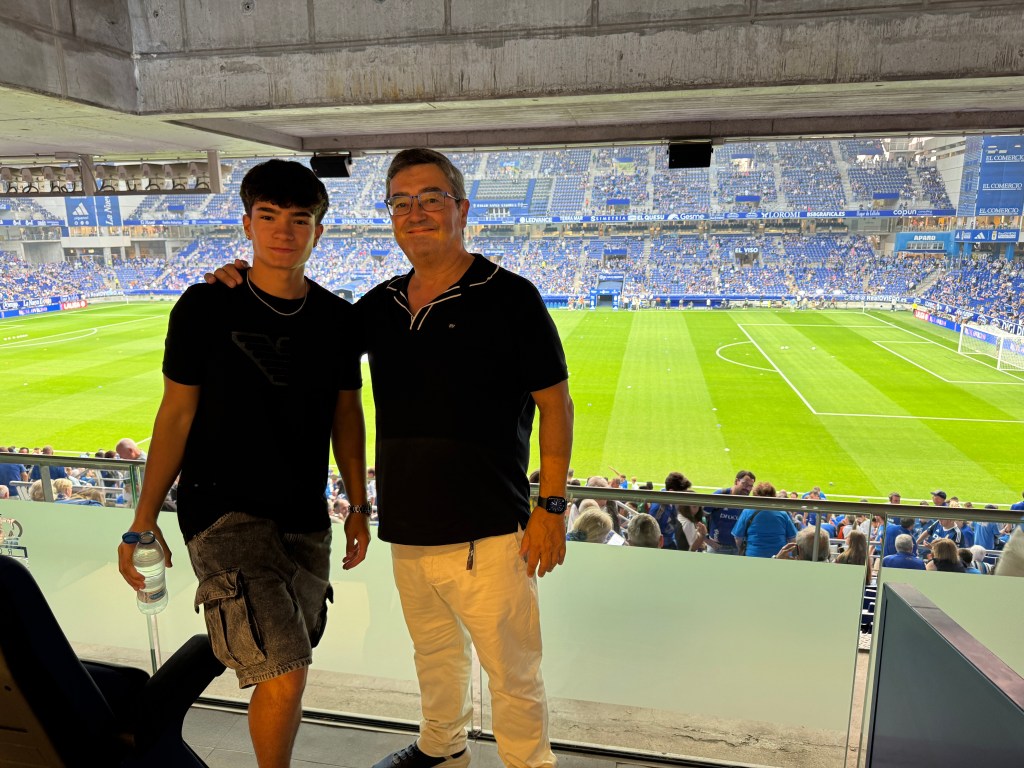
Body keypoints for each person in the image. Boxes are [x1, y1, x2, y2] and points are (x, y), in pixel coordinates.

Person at [211, 148, 573, 768]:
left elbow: (556, 405)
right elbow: (306, 323)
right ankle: (442, 747)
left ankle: (528, 764)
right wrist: (242, 282)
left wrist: (553, 507)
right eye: (401, 203)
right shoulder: (379, 306)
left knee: (512, 672)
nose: (416, 213)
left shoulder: (511, 297)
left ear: (461, 209)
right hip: (407, 530)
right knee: (433, 655)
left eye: (431, 198)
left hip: (490, 532)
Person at [119, 159, 370, 768]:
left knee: (286, 662)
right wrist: (142, 519)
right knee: (285, 670)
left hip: (305, 517)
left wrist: (359, 506)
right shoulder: (205, 306)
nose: (284, 231)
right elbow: (175, 415)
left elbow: (347, 416)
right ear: (247, 224)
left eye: (299, 219)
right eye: (268, 216)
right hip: (223, 512)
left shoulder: (338, 320)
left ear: (318, 232)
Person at [731, 481, 797, 558]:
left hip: (753, 556)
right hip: (779, 558)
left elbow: (738, 538)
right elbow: (793, 538)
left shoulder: (747, 511)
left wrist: (742, 550)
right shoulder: (782, 513)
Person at [703, 469, 755, 555]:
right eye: (745, 484)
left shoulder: (748, 502)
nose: (748, 489)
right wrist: (707, 541)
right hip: (717, 548)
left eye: (750, 486)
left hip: (738, 549)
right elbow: (697, 517)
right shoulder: (720, 496)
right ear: (736, 481)